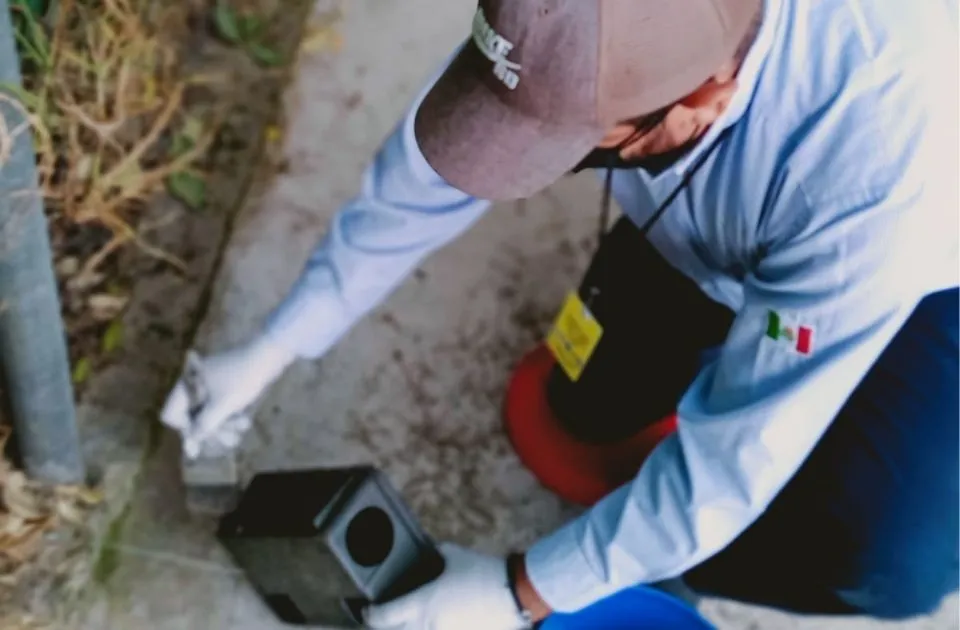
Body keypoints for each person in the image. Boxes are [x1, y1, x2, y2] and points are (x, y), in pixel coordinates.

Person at [161, 0, 960, 628]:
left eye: (573, 145)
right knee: (585, 407)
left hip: (926, 277)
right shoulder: (591, 27)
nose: (535, 165)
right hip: (717, 218)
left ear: (705, 97)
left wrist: (527, 591)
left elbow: (738, 456)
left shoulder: (871, 176)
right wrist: (276, 343)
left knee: (889, 561)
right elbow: (428, 180)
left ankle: (678, 566)